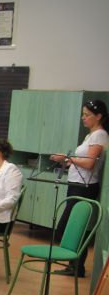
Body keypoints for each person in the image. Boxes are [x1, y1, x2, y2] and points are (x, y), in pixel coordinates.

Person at [49, 99, 109, 277]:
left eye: (87, 115)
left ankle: (76, 265)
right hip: (76, 184)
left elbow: (89, 164)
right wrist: (68, 161)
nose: (83, 118)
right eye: (83, 114)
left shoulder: (99, 135)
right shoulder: (90, 135)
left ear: (98, 116)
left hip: (84, 187)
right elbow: (82, 161)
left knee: (68, 228)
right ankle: (75, 266)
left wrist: (68, 158)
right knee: (73, 227)